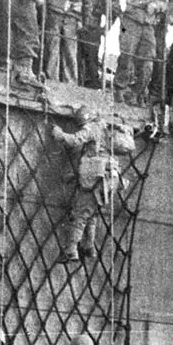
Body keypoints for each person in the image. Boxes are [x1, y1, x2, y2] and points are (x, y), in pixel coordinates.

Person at [52, 110, 137, 262]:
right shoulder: (105, 129)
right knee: (92, 213)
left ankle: (71, 250)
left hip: (98, 178)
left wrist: (59, 134)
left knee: (80, 214)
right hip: (111, 178)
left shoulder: (91, 128)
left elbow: (74, 141)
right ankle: (89, 247)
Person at [115, 0, 173, 107]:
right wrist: (118, 9)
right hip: (130, 21)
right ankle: (119, 90)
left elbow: (165, 3)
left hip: (148, 25)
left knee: (148, 62)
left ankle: (135, 93)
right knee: (126, 56)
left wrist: (156, 6)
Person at [78, 0, 112, 90]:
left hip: (93, 27)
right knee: (76, 56)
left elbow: (109, 12)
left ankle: (90, 87)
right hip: (79, 23)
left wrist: (105, 29)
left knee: (91, 59)